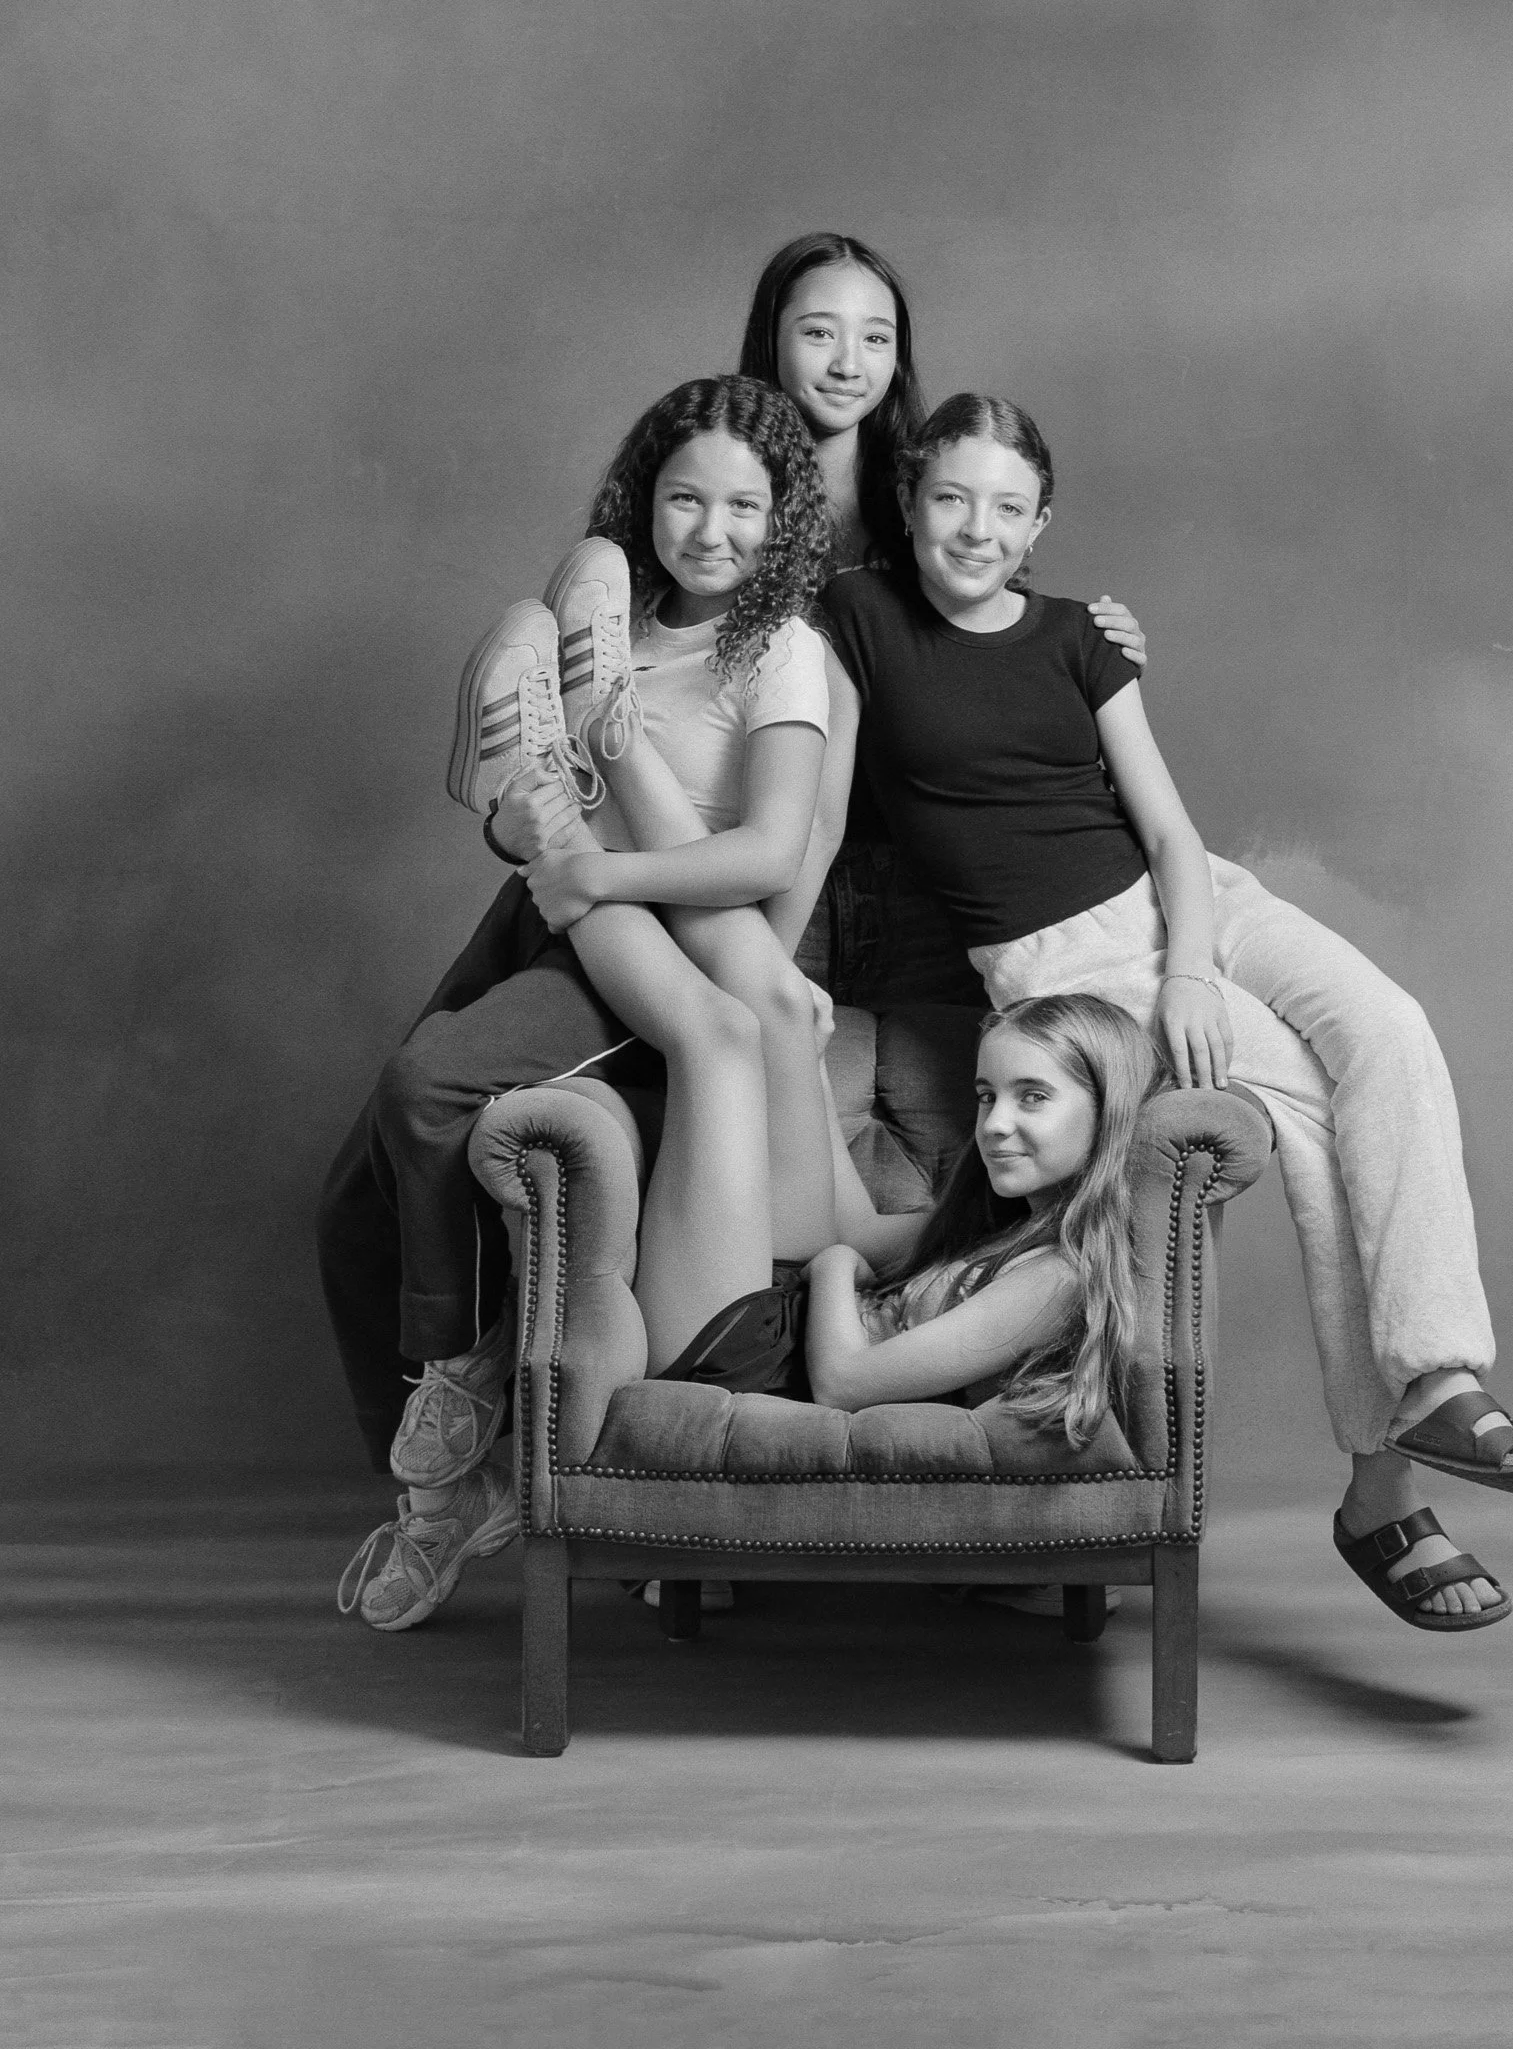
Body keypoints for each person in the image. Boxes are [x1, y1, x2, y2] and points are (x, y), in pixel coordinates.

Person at [314, 234, 1146, 1475]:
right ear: (769, 341)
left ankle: (461, 1416)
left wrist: (1077, 633)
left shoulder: (897, 544)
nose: (849, 360)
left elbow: (885, 726)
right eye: (818, 330)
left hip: (754, 891)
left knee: (569, 1064)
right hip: (672, 885)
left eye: (876, 335)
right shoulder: (689, 500)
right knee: (366, 1179)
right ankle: (444, 1435)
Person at [812, 391, 1513, 1632]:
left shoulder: (1078, 638)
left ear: (1040, 519)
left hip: (1191, 903)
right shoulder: (859, 621)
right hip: (1067, 959)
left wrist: (1191, 968)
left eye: (1007, 507)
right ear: (908, 502)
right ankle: (1385, 1479)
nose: (975, 529)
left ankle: (1435, 1379)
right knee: (1306, 1119)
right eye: (949, 499)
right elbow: (812, 794)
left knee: (1389, 1026)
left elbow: (1165, 827)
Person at [340, 373, 843, 1627]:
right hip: (543, 906)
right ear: (644, 496)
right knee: (353, 1200)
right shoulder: (615, 613)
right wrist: (522, 821)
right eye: (683, 498)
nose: (710, 530)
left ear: (779, 516)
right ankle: (438, 1498)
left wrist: (587, 862)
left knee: (428, 1087)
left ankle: (461, 1384)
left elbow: (768, 852)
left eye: (741, 504)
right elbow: (530, 836)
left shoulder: (779, 649)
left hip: (646, 933)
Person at [341, 990, 1170, 1629]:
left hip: (763, 1359)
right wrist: (810, 1070)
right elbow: (846, 1228)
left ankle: (577, 858)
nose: (995, 1125)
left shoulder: (1056, 1276)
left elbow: (847, 1381)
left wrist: (841, 1268)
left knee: (711, 1040)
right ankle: (602, 874)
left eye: (1033, 1098)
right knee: (747, 1025)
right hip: (780, 1322)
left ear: (1106, 1114)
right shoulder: (1004, 1229)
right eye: (987, 1096)